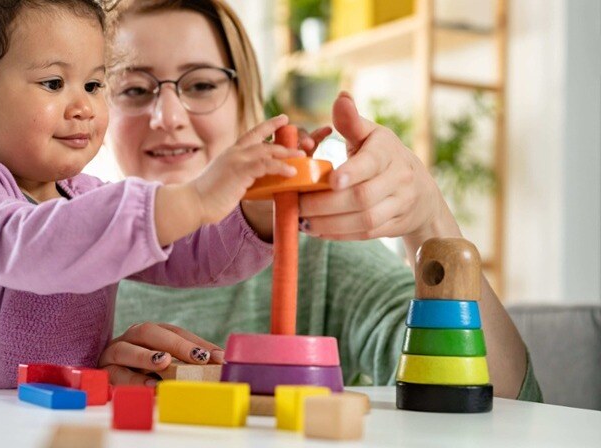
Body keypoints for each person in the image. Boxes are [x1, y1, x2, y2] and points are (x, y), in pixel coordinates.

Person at [100, 0, 542, 401]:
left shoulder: (319, 251)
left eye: (199, 85)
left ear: (244, 104)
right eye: (135, 89)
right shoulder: (55, 254)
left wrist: (428, 222)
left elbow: (502, 402)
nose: (169, 117)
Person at [0, 0, 305, 388]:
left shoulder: (85, 198)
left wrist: (255, 214)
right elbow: (32, 246)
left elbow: (186, 251)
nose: (84, 107)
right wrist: (191, 199)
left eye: (95, 86)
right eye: (54, 83)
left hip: (64, 419)